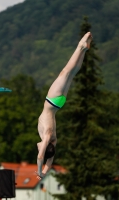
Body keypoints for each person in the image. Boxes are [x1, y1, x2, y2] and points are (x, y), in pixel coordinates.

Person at [36, 32, 92, 180]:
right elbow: (42, 157)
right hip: (52, 101)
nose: (38, 148)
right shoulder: (47, 136)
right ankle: (80, 46)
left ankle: (84, 50)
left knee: (72, 73)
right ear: (44, 146)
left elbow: (49, 160)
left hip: (59, 104)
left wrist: (43, 173)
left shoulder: (53, 140)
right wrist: (38, 171)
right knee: (65, 72)